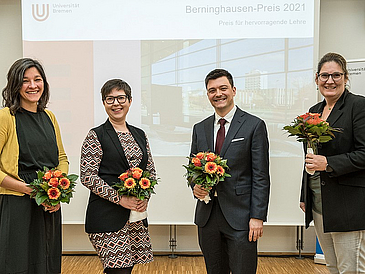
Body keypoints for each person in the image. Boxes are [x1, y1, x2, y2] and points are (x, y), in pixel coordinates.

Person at [190, 69, 270, 274]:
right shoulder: (200, 128)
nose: (218, 94)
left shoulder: (254, 125)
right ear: (207, 94)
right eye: (212, 90)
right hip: (208, 217)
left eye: (223, 88)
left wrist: (257, 216)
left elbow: (260, 175)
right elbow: (193, 169)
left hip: (241, 217)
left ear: (233, 90)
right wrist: (195, 186)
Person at [0, 58, 69, 273]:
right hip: (17, 202)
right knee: (17, 263)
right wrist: (27, 189)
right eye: (25, 80)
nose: (33, 85)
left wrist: (55, 193)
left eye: (37, 79)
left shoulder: (50, 116)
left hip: (48, 203)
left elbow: (62, 158)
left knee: (47, 262)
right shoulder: (5, 117)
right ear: (15, 84)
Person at [80, 79, 155, 274]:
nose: (116, 103)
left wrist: (144, 198)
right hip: (106, 217)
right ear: (104, 103)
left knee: (125, 269)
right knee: (118, 271)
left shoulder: (140, 134)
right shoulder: (95, 135)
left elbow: (150, 172)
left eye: (121, 98)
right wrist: (120, 199)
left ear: (130, 101)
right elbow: (87, 176)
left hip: (134, 217)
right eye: (110, 99)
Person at [300, 52, 365, 273]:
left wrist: (328, 162)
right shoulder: (314, 112)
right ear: (317, 78)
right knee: (332, 267)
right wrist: (305, 195)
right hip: (319, 203)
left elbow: (364, 154)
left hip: (348, 205)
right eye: (324, 75)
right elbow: (310, 157)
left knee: (350, 268)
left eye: (336, 75)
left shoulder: (358, 106)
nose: (330, 81)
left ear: (346, 78)